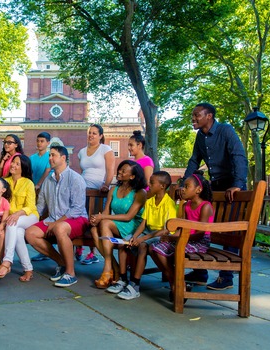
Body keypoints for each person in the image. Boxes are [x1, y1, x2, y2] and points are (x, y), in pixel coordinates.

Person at [183, 102, 248, 290]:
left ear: (209, 115)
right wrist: (184, 184)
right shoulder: (200, 137)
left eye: (197, 115)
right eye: (193, 115)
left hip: (232, 184)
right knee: (205, 226)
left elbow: (239, 156)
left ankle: (226, 277)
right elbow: (194, 160)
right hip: (215, 185)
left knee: (228, 230)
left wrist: (237, 185)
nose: (193, 118)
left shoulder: (225, 130)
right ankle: (200, 271)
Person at [106, 171, 177, 300]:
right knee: (125, 243)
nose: (149, 184)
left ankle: (135, 285)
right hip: (148, 232)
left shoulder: (169, 204)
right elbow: (143, 224)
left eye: (152, 182)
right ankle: (123, 279)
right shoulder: (149, 202)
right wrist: (135, 236)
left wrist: (143, 238)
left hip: (162, 235)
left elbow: (167, 230)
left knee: (143, 246)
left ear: (162, 186)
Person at [25, 145, 88, 287]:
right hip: (53, 219)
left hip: (77, 219)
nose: (50, 158)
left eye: (53, 155)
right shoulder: (48, 180)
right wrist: (28, 219)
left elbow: (77, 209)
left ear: (63, 158)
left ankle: (70, 274)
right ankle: (62, 262)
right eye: (49, 155)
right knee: (30, 233)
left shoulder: (75, 178)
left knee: (59, 228)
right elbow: (40, 206)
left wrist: (56, 223)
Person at [149, 171, 214, 300]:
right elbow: (180, 228)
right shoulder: (186, 206)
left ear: (198, 189)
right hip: (185, 239)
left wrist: (178, 238)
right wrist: (171, 237)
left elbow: (201, 232)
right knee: (153, 248)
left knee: (175, 249)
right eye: (183, 186)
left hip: (200, 242)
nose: (182, 189)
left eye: (187, 186)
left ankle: (177, 284)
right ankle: (177, 282)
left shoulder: (205, 206)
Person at [90, 160, 147, 290]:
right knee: (94, 230)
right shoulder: (114, 189)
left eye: (123, 171)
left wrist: (103, 217)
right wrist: (97, 219)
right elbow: (106, 212)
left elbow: (129, 217)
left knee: (104, 222)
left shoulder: (140, 193)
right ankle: (113, 267)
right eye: (120, 169)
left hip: (133, 226)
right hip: (116, 224)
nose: (119, 172)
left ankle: (107, 270)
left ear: (132, 176)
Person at [0, 155, 39, 282]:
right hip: (13, 219)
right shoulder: (4, 181)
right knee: (17, 233)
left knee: (12, 223)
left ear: (23, 168)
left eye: (17, 164)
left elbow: (31, 206)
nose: (13, 165)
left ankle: (7, 262)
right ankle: (28, 269)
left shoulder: (28, 183)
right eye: (13, 162)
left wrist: (17, 214)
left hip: (29, 216)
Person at [77, 123, 115, 264]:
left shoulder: (106, 149)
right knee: (80, 217)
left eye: (94, 133)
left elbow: (110, 169)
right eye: (89, 132)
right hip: (83, 190)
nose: (91, 135)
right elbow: (82, 171)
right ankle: (78, 245)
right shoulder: (81, 152)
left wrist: (106, 184)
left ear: (100, 136)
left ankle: (92, 253)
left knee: (94, 220)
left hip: (99, 190)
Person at [30, 132, 52, 262]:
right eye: (38, 141)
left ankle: (48, 248)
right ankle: (41, 249)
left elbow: (48, 171)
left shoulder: (50, 156)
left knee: (47, 218)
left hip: (47, 189)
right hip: (35, 191)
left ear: (48, 143)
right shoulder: (32, 157)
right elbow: (30, 172)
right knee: (38, 217)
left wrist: (39, 184)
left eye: (42, 141)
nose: (39, 143)